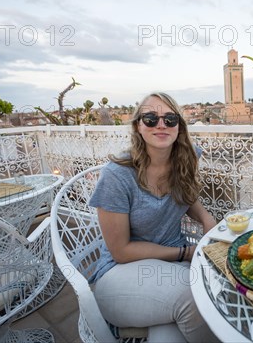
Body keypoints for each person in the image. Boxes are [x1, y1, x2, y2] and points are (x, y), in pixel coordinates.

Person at [88, 92, 218, 343]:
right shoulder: (117, 176)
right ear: (138, 126)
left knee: (173, 333)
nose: (161, 124)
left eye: (170, 119)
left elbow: (187, 196)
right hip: (120, 273)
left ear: (179, 126)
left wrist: (206, 219)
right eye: (150, 118)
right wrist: (184, 253)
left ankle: (144, 325)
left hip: (170, 269)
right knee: (197, 294)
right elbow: (121, 251)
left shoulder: (187, 156)